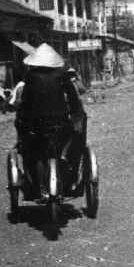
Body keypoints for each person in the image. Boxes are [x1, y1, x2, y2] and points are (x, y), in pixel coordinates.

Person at [19, 43, 84, 199]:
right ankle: (65, 165)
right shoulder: (63, 77)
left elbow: (25, 103)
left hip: (37, 124)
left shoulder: (30, 78)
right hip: (60, 123)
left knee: (36, 150)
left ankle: (38, 184)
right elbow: (74, 100)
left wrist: (23, 120)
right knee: (69, 141)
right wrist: (76, 116)